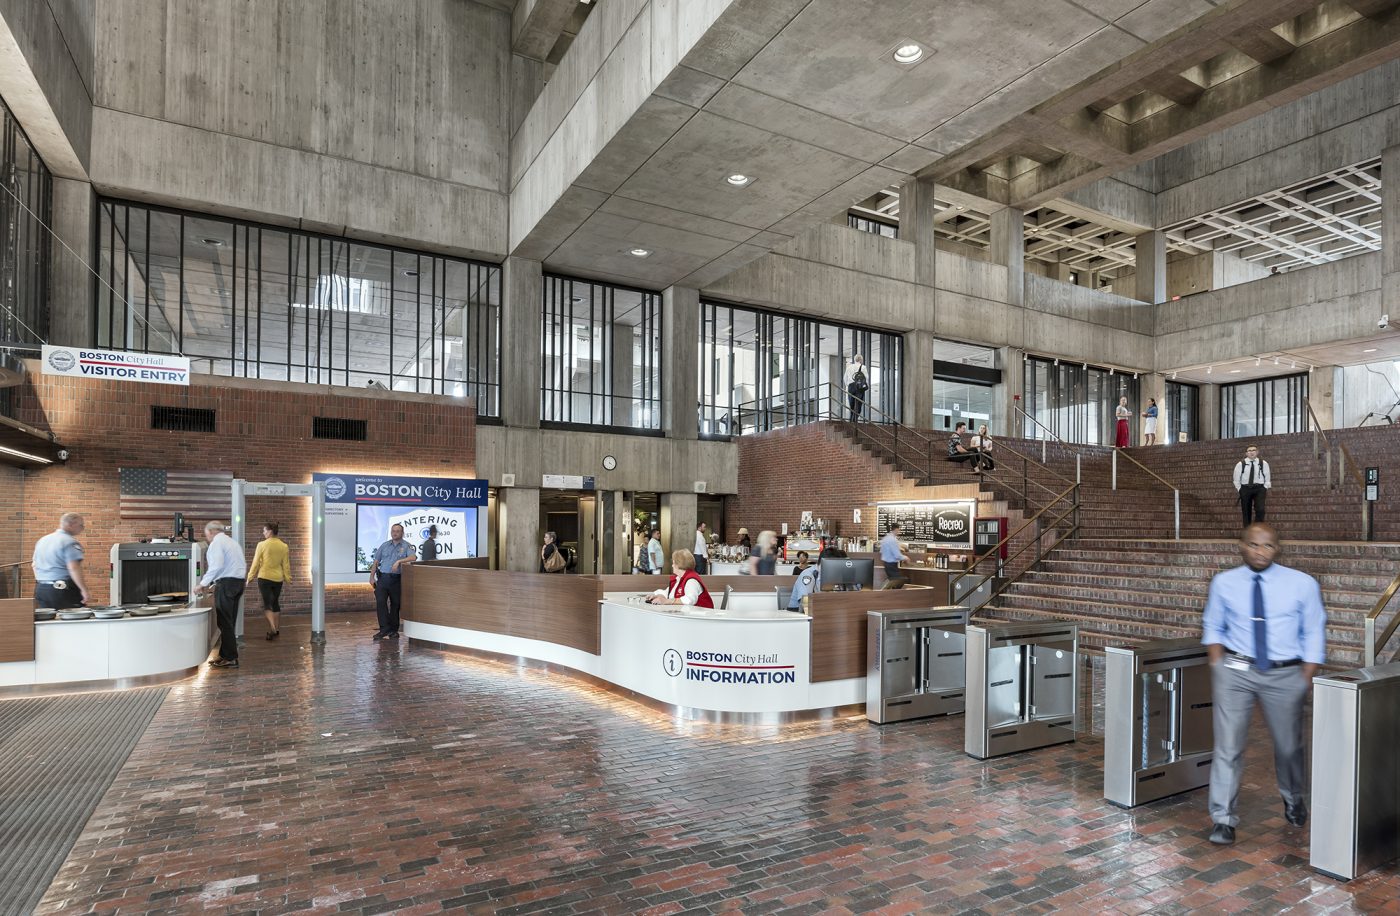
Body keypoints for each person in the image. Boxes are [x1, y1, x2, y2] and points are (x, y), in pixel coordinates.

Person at [1202, 523, 1326, 846]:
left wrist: (1305, 676)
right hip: (1236, 671)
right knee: (1228, 746)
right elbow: (1213, 625)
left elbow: (1313, 630)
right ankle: (1223, 819)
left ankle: (1294, 797)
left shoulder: (1302, 584)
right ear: (1241, 546)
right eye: (1254, 545)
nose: (1260, 552)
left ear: (1277, 548)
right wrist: (1219, 665)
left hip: (1285, 674)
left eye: (1267, 546)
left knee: (1288, 747)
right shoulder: (1224, 583)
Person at [196, 521, 247, 669]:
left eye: (207, 534)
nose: (207, 538)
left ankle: (231, 658)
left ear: (211, 532)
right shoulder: (232, 542)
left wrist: (203, 584)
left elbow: (216, 566)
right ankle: (225, 656)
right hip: (238, 583)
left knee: (225, 622)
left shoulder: (217, 543)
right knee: (228, 621)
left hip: (226, 584)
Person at [31, 513, 91, 609]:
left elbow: (34, 565)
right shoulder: (69, 542)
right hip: (62, 590)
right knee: (70, 621)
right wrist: (83, 590)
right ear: (71, 525)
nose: (82, 528)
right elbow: (73, 568)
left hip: (41, 589)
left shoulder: (43, 540)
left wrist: (44, 582)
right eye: (81, 525)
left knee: (48, 620)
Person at [369, 523, 415, 640]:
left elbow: (413, 558)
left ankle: (393, 631)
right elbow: (376, 562)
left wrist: (399, 561)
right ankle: (383, 629)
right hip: (383, 579)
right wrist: (371, 577)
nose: (395, 533)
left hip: (396, 580)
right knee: (381, 603)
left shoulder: (406, 546)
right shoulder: (384, 545)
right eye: (393, 531)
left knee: (396, 605)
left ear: (402, 533)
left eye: (398, 531)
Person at [247, 521, 291, 641]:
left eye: (264, 531)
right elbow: (286, 565)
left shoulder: (262, 545)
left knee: (267, 604)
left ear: (270, 531)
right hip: (278, 579)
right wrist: (288, 578)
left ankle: (272, 628)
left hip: (264, 578)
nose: (263, 533)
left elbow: (255, 562)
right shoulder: (284, 546)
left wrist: (250, 577)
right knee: (275, 603)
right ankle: (276, 629)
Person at [646, 549, 715, 607]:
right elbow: (669, 592)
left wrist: (667, 601)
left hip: (699, 619)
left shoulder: (691, 581)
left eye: (673, 563)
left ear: (679, 565)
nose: (672, 566)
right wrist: (656, 595)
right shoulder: (679, 579)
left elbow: (690, 599)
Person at [1233, 444, 1271, 528]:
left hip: (1259, 488)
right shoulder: (1240, 464)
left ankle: (1257, 530)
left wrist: (1265, 488)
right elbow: (1236, 480)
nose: (1251, 452)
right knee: (1246, 511)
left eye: (1253, 450)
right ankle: (1247, 532)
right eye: (1249, 450)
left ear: (1257, 452)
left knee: (1260, 510)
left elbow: (1267, 478)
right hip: (1245, 489)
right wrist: (1240, 490)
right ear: (1246, 453)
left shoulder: (1263, 463)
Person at [844, 353, 869, 421]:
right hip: (859, 386)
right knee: (858, 403)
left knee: (851, 403)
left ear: (855, 360)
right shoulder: (863, 367)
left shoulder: (849, 367)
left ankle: (851, 418)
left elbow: (845, 378)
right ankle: (855, 419)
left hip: (851, 386)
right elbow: (866, 378)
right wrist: (866, 386)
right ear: (861, 360)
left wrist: (848, 384)